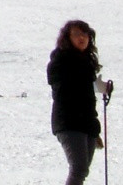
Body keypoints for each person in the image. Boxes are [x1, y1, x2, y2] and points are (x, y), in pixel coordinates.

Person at [47, 19, 111, 185]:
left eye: (85, 34)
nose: (82, 38)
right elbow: (63, 89)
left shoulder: (86, 62)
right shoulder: (60, 60)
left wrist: (100, 87)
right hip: (68, 121)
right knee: (79, 168)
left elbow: (86, 91)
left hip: (87, 122)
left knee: (82, 170)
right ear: (67, 38)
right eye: (76, 34)